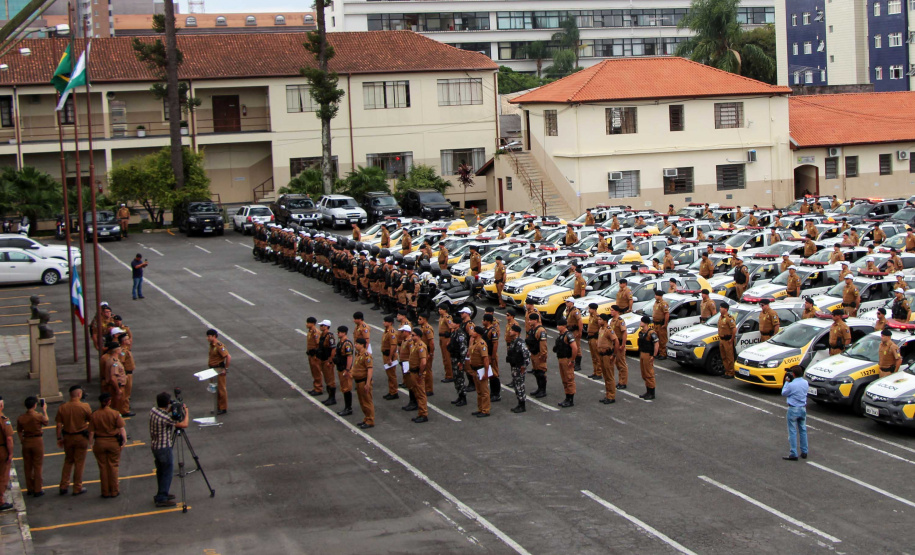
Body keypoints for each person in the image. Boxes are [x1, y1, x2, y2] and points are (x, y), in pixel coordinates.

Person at [149, 391, 189, 507]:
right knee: (167, 472)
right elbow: (183, 424)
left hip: (155, 446)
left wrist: (172, 409)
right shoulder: (166, 418)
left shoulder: (153, 411)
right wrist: (186, 412)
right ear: (167, 403)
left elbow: (164, 414)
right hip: (164, 447)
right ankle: (162, 497)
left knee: (161, 471)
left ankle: (162, 492)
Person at [88, 393, 127, 498]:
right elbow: (121, 428)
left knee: (103, 467)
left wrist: (91, 444)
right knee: (113, 466)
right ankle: (114, 490)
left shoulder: (95, 414)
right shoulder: (115, 413)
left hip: (99, 442)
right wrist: (124, 440)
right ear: (109, 401)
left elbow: (91, 432)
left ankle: (105, 491)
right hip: (113, 442)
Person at [55, 385, 91, 496]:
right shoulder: (84, 406)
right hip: (81, 437)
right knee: (79, 463)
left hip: (67, 437)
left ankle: (64, 485)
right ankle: (77, 487)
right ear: (79, 394)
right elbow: (92, 421)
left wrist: (59, 438)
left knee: (68, 461)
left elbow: (58, 425)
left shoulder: (63, 407)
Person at [17, 396, 48, 496]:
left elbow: (19, 430)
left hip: (26, 440)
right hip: (37, 440)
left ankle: (29, 488)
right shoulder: (38, 416)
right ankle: (37, 488)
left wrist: (22, 440)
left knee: (27, 466)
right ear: (35, 405)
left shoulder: (21, 417)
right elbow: (46, 422)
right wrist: (44, 411)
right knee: (37, 465)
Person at [781, 366, 809, 461]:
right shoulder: (805, 383)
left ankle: (793, 453)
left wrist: (787, 382)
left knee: (792, 431)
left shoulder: (791, 385)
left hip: (793, 409)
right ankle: (804, 451)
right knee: (803, 430)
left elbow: (784, 393)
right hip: (803, 408)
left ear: (793, 374)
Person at [505, 324, 531, 413]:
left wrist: (524, 366)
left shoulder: (520, 343)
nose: (510, 331)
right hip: (515, 367)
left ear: (516, 332)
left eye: (511, 330)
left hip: (519, 368)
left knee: (520, 386)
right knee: (516, 386)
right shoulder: (513, 342)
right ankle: (519, 403)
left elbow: (526, 355)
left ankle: (522, 405)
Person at [468, 326, 491, 417]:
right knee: (479, 391)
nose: (472, 332)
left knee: (484, 391)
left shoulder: (481, 344)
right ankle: (480, 408)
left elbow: (485, 359)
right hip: (475, 369)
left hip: (480, 369)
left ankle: (485, 410)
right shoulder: (474, 342)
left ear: (477, 333)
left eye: (474, 331)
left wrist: (486, 373)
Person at [554, 318, 578, 408]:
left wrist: (572, 360)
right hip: (561, 358)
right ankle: (567, 397)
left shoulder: (568, 335)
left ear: (564, 326)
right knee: (564, 379)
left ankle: (570, 399)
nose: (557, 327)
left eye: (559, 325)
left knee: (569, 379)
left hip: (566, 359)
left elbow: (575, 348)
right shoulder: (561, 335)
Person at [352, 338, 375, 428]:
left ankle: (370, 420)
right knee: (362, 401)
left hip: (363, 381)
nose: (355, 345)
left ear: (362, 345)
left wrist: (368, 383)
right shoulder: (358, 354)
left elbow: (370, 369)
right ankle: (366, 418)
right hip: (358, 381)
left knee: (367, 401)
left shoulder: (366, 355)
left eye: (357, 344)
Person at [206, 329, 231, 415]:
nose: (207, 338)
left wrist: (225, 369)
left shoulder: (219, 346)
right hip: (212, 369)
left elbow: (228, 357)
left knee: (221, 389)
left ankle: (223, 407)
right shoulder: (212, 345)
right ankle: (217, 407)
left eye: (209, 336)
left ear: (214, 336)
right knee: (214, 389)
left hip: (219, 369)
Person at [597, 313, 618, 405]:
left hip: (607, 355)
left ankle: (611, 396)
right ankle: (607, 394)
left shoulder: (609, 330)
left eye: (600, 319)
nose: (598, 321)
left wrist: (614, 354)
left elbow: (616, 341)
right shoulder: (601, 329)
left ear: (605, 321)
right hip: (601, 355)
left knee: (609, 376)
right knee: (605, 376)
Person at [333, 326, 355, 417]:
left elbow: (349, 357)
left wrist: (347, 369)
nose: (338, 334)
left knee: (347, 388)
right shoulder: (340, 343)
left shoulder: (347, 344)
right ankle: (347, 407)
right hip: (340, 368)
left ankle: (348, 408)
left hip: (345, 369)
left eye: (339, 332)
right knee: (344, 388)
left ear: (344, 333)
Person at [637, 316, 659, 400]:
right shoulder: (641, 332)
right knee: (644, 374)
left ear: (645, 323)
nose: (640, 323)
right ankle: (647, 391)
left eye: (641, 321)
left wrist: (654, 355)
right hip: (642, 353)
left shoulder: (651, 333)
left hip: (648, 355)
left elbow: (656, 344)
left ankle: (651, 393)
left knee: (649, 374)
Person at [717, 304, 737, 379]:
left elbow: (734, 329)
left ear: (726, 309)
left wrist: (732, 339)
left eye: (721, 308)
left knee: (729, 357)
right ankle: (727, 371)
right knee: (723, 357)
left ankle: (731, 372)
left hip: (727, 340)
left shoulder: (729, 318)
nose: (720, 309)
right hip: (722, 340)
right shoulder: (720, 317)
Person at [652, 290, 670, 360]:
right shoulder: (656, 303)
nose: (655, 296)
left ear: (660, 296)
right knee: (656, 339)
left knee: (662, 340)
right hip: (655, 324)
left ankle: (663, 353)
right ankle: (659, 352)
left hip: (661, 324)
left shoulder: (663, 303)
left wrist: (665, 324)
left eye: (656, 295)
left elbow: (666, 314)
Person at [0, 397, 11, 512]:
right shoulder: (3, 419)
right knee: (2, 475)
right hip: (1, 449)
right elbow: (8, 438)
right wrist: (11, 453)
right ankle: (0, 500)